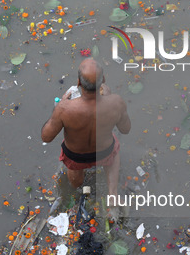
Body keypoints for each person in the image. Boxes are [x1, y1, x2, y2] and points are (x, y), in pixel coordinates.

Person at [41, 58, 131, 212]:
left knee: (75, 171)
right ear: (103, 80)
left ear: (78, 83)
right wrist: (109, 97)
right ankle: (112, 193)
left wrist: (60, 105)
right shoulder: (116, 102)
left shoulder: (64, 108)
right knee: (114, 151)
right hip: (105, 151)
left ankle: (78, 193)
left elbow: (46, 137)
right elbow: (125, 129)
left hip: (76, 156)